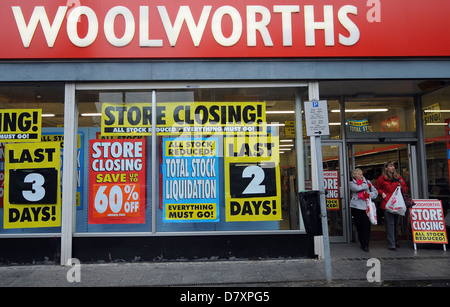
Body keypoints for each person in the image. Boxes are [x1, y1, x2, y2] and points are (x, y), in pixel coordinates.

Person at [375, 161, 408, 251]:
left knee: (396, 224)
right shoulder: (381, 178)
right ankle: (391, 244)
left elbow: (405, 188)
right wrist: (382, 193)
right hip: (387, 203)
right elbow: (377, 188)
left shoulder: (399, 178)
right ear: (386, 168)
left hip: (396, 203)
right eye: (390, 166)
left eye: (393, 166)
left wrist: (401, 187)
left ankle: (396, 241)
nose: (392, 168)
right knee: (390, 224)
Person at [350, 168, 378, 252]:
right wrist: (367, 186)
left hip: (366, 207)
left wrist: (368, 195)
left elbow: (375, 192)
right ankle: (362, 242)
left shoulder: (368, 182)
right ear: (355, 176)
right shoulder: (352, 183)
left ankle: (366, 244)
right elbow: (356, 189)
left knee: (366, 226)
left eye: (361, 174)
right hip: (356, 207)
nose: (361, 176)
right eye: (359, 174)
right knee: (359, 226)